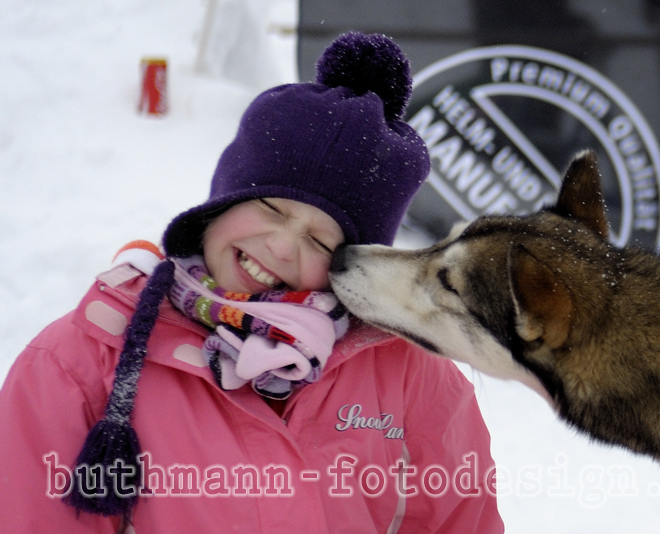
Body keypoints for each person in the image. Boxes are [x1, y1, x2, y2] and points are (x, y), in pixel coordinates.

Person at [0, 32, 503, 533]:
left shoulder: (405, 372)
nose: (283, 247)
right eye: (270, 207)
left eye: (322, 241)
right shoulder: (80, 364)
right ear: (220, 203)